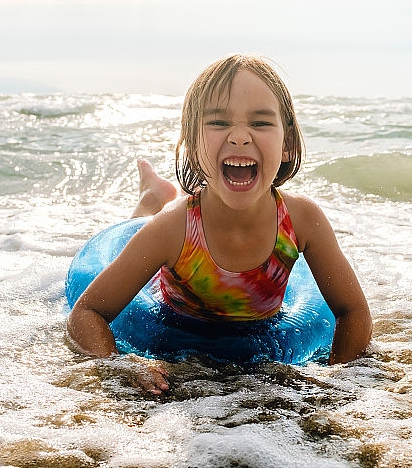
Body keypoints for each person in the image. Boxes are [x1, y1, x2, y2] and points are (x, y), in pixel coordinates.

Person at [67, 55, 372, 394]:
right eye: (217, 122)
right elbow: (88, 312)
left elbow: (353, 311)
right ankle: (153, 196)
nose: (240, 137)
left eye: (260, 123)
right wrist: (118, 365)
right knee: (142, 222)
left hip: (260, 326)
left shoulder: (301, 221)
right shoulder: (172, 229)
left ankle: (158, 193)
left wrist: (342, 383)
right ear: (193, 146)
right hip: (170, 314)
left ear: (286, 144)